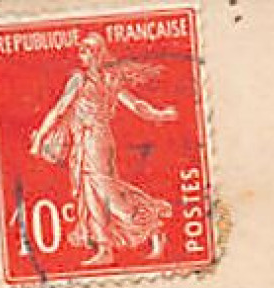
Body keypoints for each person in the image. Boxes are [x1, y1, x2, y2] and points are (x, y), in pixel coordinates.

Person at [28, 33, 177, 267]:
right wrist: (159, 114)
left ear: (97, 53)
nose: (81, 56)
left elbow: (59, 110)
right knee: (93, 191)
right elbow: (137, 106)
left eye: (86, 51)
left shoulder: (84, 79)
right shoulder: (109, 79)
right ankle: (105, 247)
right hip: (94, 140)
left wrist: (39, 140)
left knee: (104, 189)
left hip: (93, 140)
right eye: (81, 51)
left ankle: (150, 223)